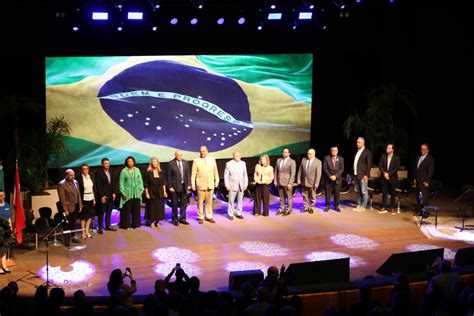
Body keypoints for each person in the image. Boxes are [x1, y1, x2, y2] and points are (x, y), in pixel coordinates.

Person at [191, 146, 219, 224]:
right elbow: (193, 174)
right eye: (201, 151)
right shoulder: (196, 161)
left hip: (210, 184)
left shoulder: (212, 159)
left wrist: (217, 180)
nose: (202, 153)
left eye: (203, 151)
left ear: (207, 151)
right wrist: (193, 184)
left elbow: (215, 171)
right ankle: (201, 217)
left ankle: (209, 216)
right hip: (201, 185)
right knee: (200, 202)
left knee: (209, 202)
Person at [57, 169, 82, 247]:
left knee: (73, 223)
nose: (72, 177)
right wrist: (65, 209)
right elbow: (62, 198)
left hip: (75, 206)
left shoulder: (76, 182)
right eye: (71, 175)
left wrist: (80, 204)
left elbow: (78, 195)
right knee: (67, 224)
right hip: (67, 208)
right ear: (66, 175)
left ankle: (72, 237)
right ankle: (66, 240)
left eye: (73, 175)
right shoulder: (62, 184)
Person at [119, 156, 144, 229]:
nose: (130, 162)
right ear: (127, 162)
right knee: (127, 210)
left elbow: (140, 181)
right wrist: (122, 192)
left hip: (136, 193)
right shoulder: (124, 171)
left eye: (132, 161)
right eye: (129, 161)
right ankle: (126, 225)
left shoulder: (137, 170)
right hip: (127, 194)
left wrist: (141, 190)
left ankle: (136, 225)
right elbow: (121, 183)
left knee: (136, 210)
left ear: (134, 162)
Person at [167, 150, 191, 226]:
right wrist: (170, 186)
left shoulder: (185, 162)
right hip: (174, 187)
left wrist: (189, 184)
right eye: (178, 155)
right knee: (174, 204)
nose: (180, 156)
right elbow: (168, 176)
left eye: (181, 155)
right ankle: (175, 219)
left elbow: (188, 174)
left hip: (184, 186)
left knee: (184, 204)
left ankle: (182, 218)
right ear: (175, 155)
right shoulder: (171, 163)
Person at [94, 158, 118, 234]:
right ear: (102, 164)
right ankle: (100, 227)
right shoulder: (99, 172)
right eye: (105, 163)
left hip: (111, 195)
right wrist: (101, 196)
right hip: (103, 196)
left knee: (109, 212)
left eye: (108, 163)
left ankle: (108, 226)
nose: (107, 165)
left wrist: (114, 193)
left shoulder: (111, 171)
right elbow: (98, 185)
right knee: (101, 212)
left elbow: (114, 183)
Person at [224, 151, 248, 220]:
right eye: (237, 156)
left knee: (240, 200)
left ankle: (239, 213)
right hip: (232, 185)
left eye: (239, 156)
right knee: (231, 200)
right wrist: (227, 185)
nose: (239, 157)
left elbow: (245, 174)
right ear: (233, 156)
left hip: (241, 185)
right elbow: (226, 175)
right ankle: (230, 214)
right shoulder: (229, 164)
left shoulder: (243, 163)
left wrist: (245, 183)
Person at [297, 148, 322, 214]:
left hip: (312, 182)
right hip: (303, 181)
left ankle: (311, 207)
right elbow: (300, 170)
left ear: (314, 154)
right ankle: (305, 207)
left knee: (312, 196)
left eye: (310, 154)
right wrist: (298, 178)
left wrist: (316, 183)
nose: (308, 155)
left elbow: (318, 174)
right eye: (308, 153)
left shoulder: (318, 162)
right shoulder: (303, 160)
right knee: (304, 195)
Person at [144, 157, 167, 228]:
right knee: (152, 207)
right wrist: (147, 193)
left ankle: (157, 221)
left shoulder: (160, 172)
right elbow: (146, 184)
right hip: (151, 192)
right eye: (154, 162)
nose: (155, 163)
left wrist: (165, 192)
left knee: (159, 207)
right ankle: (151, 222)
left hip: (159, 192)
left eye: (156, 162)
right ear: (151, 163)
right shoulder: (148, 172)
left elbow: (163, 183)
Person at [378, 144, 400, 214]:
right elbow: (380, 166)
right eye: (387, 148)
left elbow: (396, 168)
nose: (387, 149)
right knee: (384, 193)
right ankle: (384, 206)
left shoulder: (396, 158)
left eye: (389, 148)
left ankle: (392, 207)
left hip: (392, 178)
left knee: (393, 194)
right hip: (384, 177)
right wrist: (384, 173)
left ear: (393, 150)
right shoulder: (383, 156)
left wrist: (389, 174)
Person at [274, 147, 296, 216]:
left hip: (287, 183)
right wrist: (275, 180)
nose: (284, 153)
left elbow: (293, 173)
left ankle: (289, 209)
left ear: (289, 153)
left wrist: (290, 183)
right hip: (279, 182)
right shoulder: (278, 160)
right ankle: (282, 208)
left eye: (286, 152)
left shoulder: (292, 161)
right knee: (281, 197)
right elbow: (276, 171)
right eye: (283, 152)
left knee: (289, 197)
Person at [352, 137, 372, 212]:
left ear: (363, 143)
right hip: (356, 174)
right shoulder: (356, 151)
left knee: (364, 191)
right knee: (358, 191)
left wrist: (366, 175)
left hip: (363, 175)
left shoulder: (367, 152)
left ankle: (363, 206)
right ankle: (359, 204)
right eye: (357, 142)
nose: (357, 144)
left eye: (359, 142)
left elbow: (369, 164)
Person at [76, 164, 95, 239]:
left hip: (90, 197)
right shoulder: (79, 178)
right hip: (84, 198)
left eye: (86, 169)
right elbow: (78, 191)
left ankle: (87, 231)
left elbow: (92, 189)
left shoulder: (90, 177)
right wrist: (80, 203)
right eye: (83, 169)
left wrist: (94, 199)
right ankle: (83, 232)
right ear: (81, 170)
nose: (85, 170)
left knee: (89, 215)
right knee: (83, 216)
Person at [323, 147, 344, 212]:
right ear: (331, 151)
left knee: (337, 193)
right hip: (328, 179)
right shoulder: (326, 158)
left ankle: (336, 206)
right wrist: (330, 176)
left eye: (335, 150)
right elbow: (325, 168)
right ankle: (327, 206)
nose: (334, 152)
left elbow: (342, 169)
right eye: (332, 150)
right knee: (327, 193)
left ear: (337, 151)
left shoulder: (341, 159)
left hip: (337, 179)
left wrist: (335, 176)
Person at [414, 143, 435, 212]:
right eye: (421, 149)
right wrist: (414, 178)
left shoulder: (430, 159)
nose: (422, 150)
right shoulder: (418, 157)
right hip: (417, 180)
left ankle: (425, 213)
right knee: (418, 197)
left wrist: (427, 181)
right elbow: (416, 169)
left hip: (424, 181)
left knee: (425, 197)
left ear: (427, 150)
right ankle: (419, 211)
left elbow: (430, 171)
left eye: (424, 149)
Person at [0, 191, 12, 274]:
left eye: (4, 195)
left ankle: (4, 266)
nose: (2, 197)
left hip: (6, 230)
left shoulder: (7, 205)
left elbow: (9, 218)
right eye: (0, 195)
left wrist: (10, 228)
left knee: (4, 248)